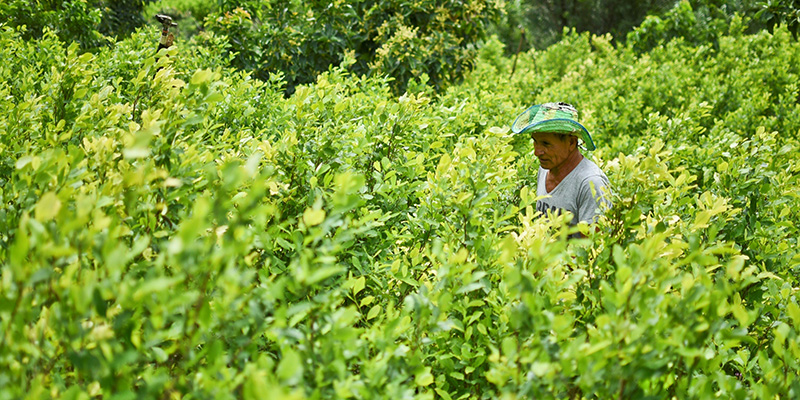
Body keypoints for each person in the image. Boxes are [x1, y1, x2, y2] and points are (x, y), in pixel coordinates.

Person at [511, 102, 611, 232]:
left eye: (546, 144)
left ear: (571, 142)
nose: (537, 152)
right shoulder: (545, 168)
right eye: (535, 141)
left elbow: (590, 247)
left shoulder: (590, 183)